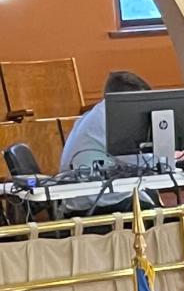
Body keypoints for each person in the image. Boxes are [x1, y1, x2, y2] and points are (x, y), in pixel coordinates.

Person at [59, 71, 156, 217]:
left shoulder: (97, 114)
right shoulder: (109, 119)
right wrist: (169, 158)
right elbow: (135, 160)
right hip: (93, 205)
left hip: (91, 197)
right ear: (125, 100)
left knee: (151, 199)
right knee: (161, 217)